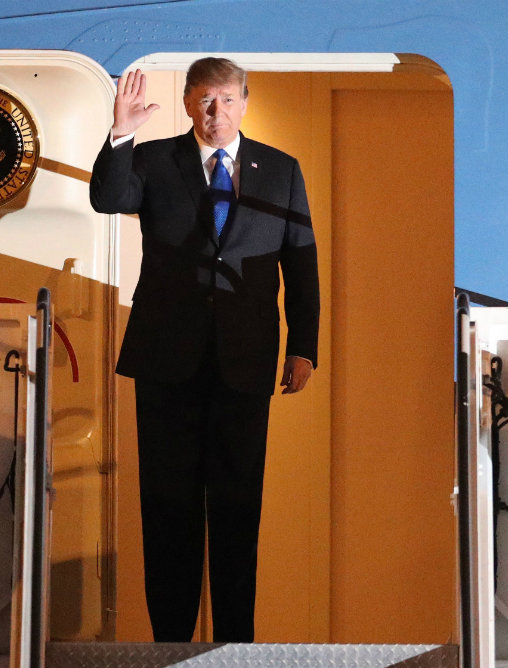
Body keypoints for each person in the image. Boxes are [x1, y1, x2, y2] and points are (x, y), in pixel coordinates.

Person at [90, 57, 320, 643]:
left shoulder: (282, 170)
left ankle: (235, 648)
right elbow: (108, 197)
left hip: (245, 360)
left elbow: (302, 264)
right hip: (167, 359)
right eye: (204, 100)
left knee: (239, 510)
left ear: (244, 101)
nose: (215, 112)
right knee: (169, 507)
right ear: (189, 103)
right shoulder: (153, 158)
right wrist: (120, 132)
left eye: (226, 99)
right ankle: (169, 645)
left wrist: (304, 347)